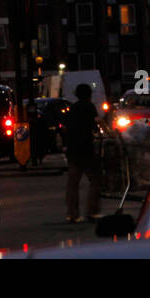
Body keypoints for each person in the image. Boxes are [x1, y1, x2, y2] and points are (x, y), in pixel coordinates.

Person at [64, 83, 103, 223]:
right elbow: (96, 125)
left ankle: (72, 213)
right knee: (95, 179)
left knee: (73, 183)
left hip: (72, 149)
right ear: (89, 95)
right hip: (86, 148)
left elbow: (67, 127)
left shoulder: (73, 108)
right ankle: (92, 211)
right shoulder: (89, 107)